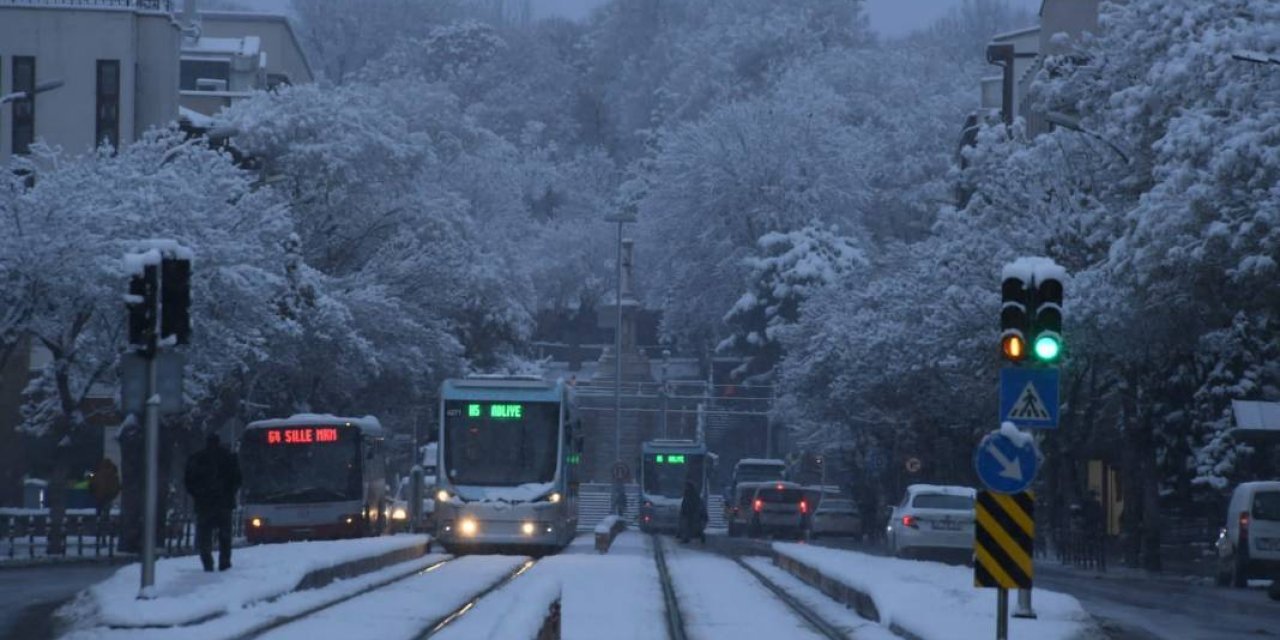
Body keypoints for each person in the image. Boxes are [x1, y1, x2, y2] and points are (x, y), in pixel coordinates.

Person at [184, 432, 242, 572]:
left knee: (205, 536)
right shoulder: (228, 458)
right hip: (224, 504)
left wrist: (198, 495)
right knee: (225, 536)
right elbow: (237, 479)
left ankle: (207, 563)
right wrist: (228, 493)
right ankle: (224, 562)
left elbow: (188, 481)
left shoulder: (197, 458)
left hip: (204, 504)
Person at [88, 458, 120, 525]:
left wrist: (93, 492)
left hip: (99, 494)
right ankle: (106, 521)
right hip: (109, 495)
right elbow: (116, 485)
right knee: (106, 508)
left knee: (99, 508)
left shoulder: (97, 473)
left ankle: (98, 520)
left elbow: (93, 483)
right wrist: (114, 493)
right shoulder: (113, 474)